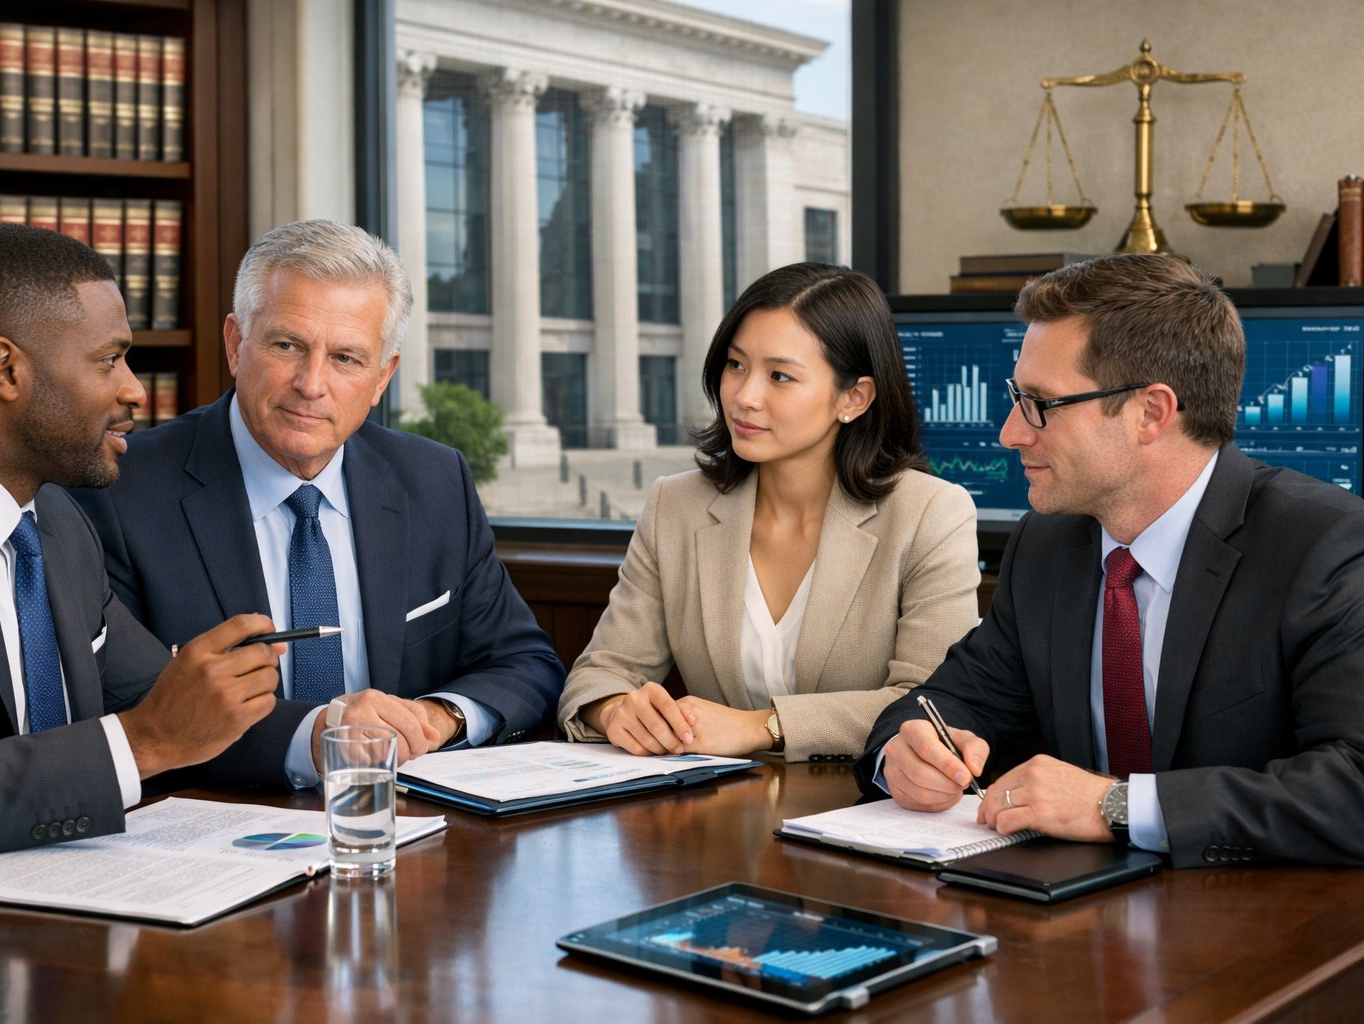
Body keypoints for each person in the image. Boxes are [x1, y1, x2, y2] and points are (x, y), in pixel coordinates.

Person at [0, 224, 322, 890]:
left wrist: (335, 735)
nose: (134, 391)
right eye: (108, 359)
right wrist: (142, 743)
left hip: (62, 921)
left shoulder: (56, 517)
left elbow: (168, 704)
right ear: (5, 369)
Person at [858, 253, 1364, 868]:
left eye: (1040, 403)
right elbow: (946, 704)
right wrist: (904, 754)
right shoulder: (1047, 544)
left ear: (1150, 412)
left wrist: (1117, 806)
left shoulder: (1327, 546)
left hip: (1263, 928)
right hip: (1075, 918)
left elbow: (1352, 786)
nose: (1010, 433)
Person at [72, 220, 562, 765]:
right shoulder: (119, 490)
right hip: (216, 823)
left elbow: (525, 663)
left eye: (346, 358)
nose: (311, 383)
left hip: (410, 817)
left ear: (382, 377)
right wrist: (321, 735)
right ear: (236, 345)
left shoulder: (434, 479)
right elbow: (129, 705)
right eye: (287, 345)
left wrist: (436, 717)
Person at [558, 263, 980, 761]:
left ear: (854, 397)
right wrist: (615, 709)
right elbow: (598, 673)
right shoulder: (675, 505)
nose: (744, 396)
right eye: (736, 365)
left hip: (861, 810)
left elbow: (929, 705)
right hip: (706, 812)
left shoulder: (930, 512)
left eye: (780, 376)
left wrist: (764, 727)